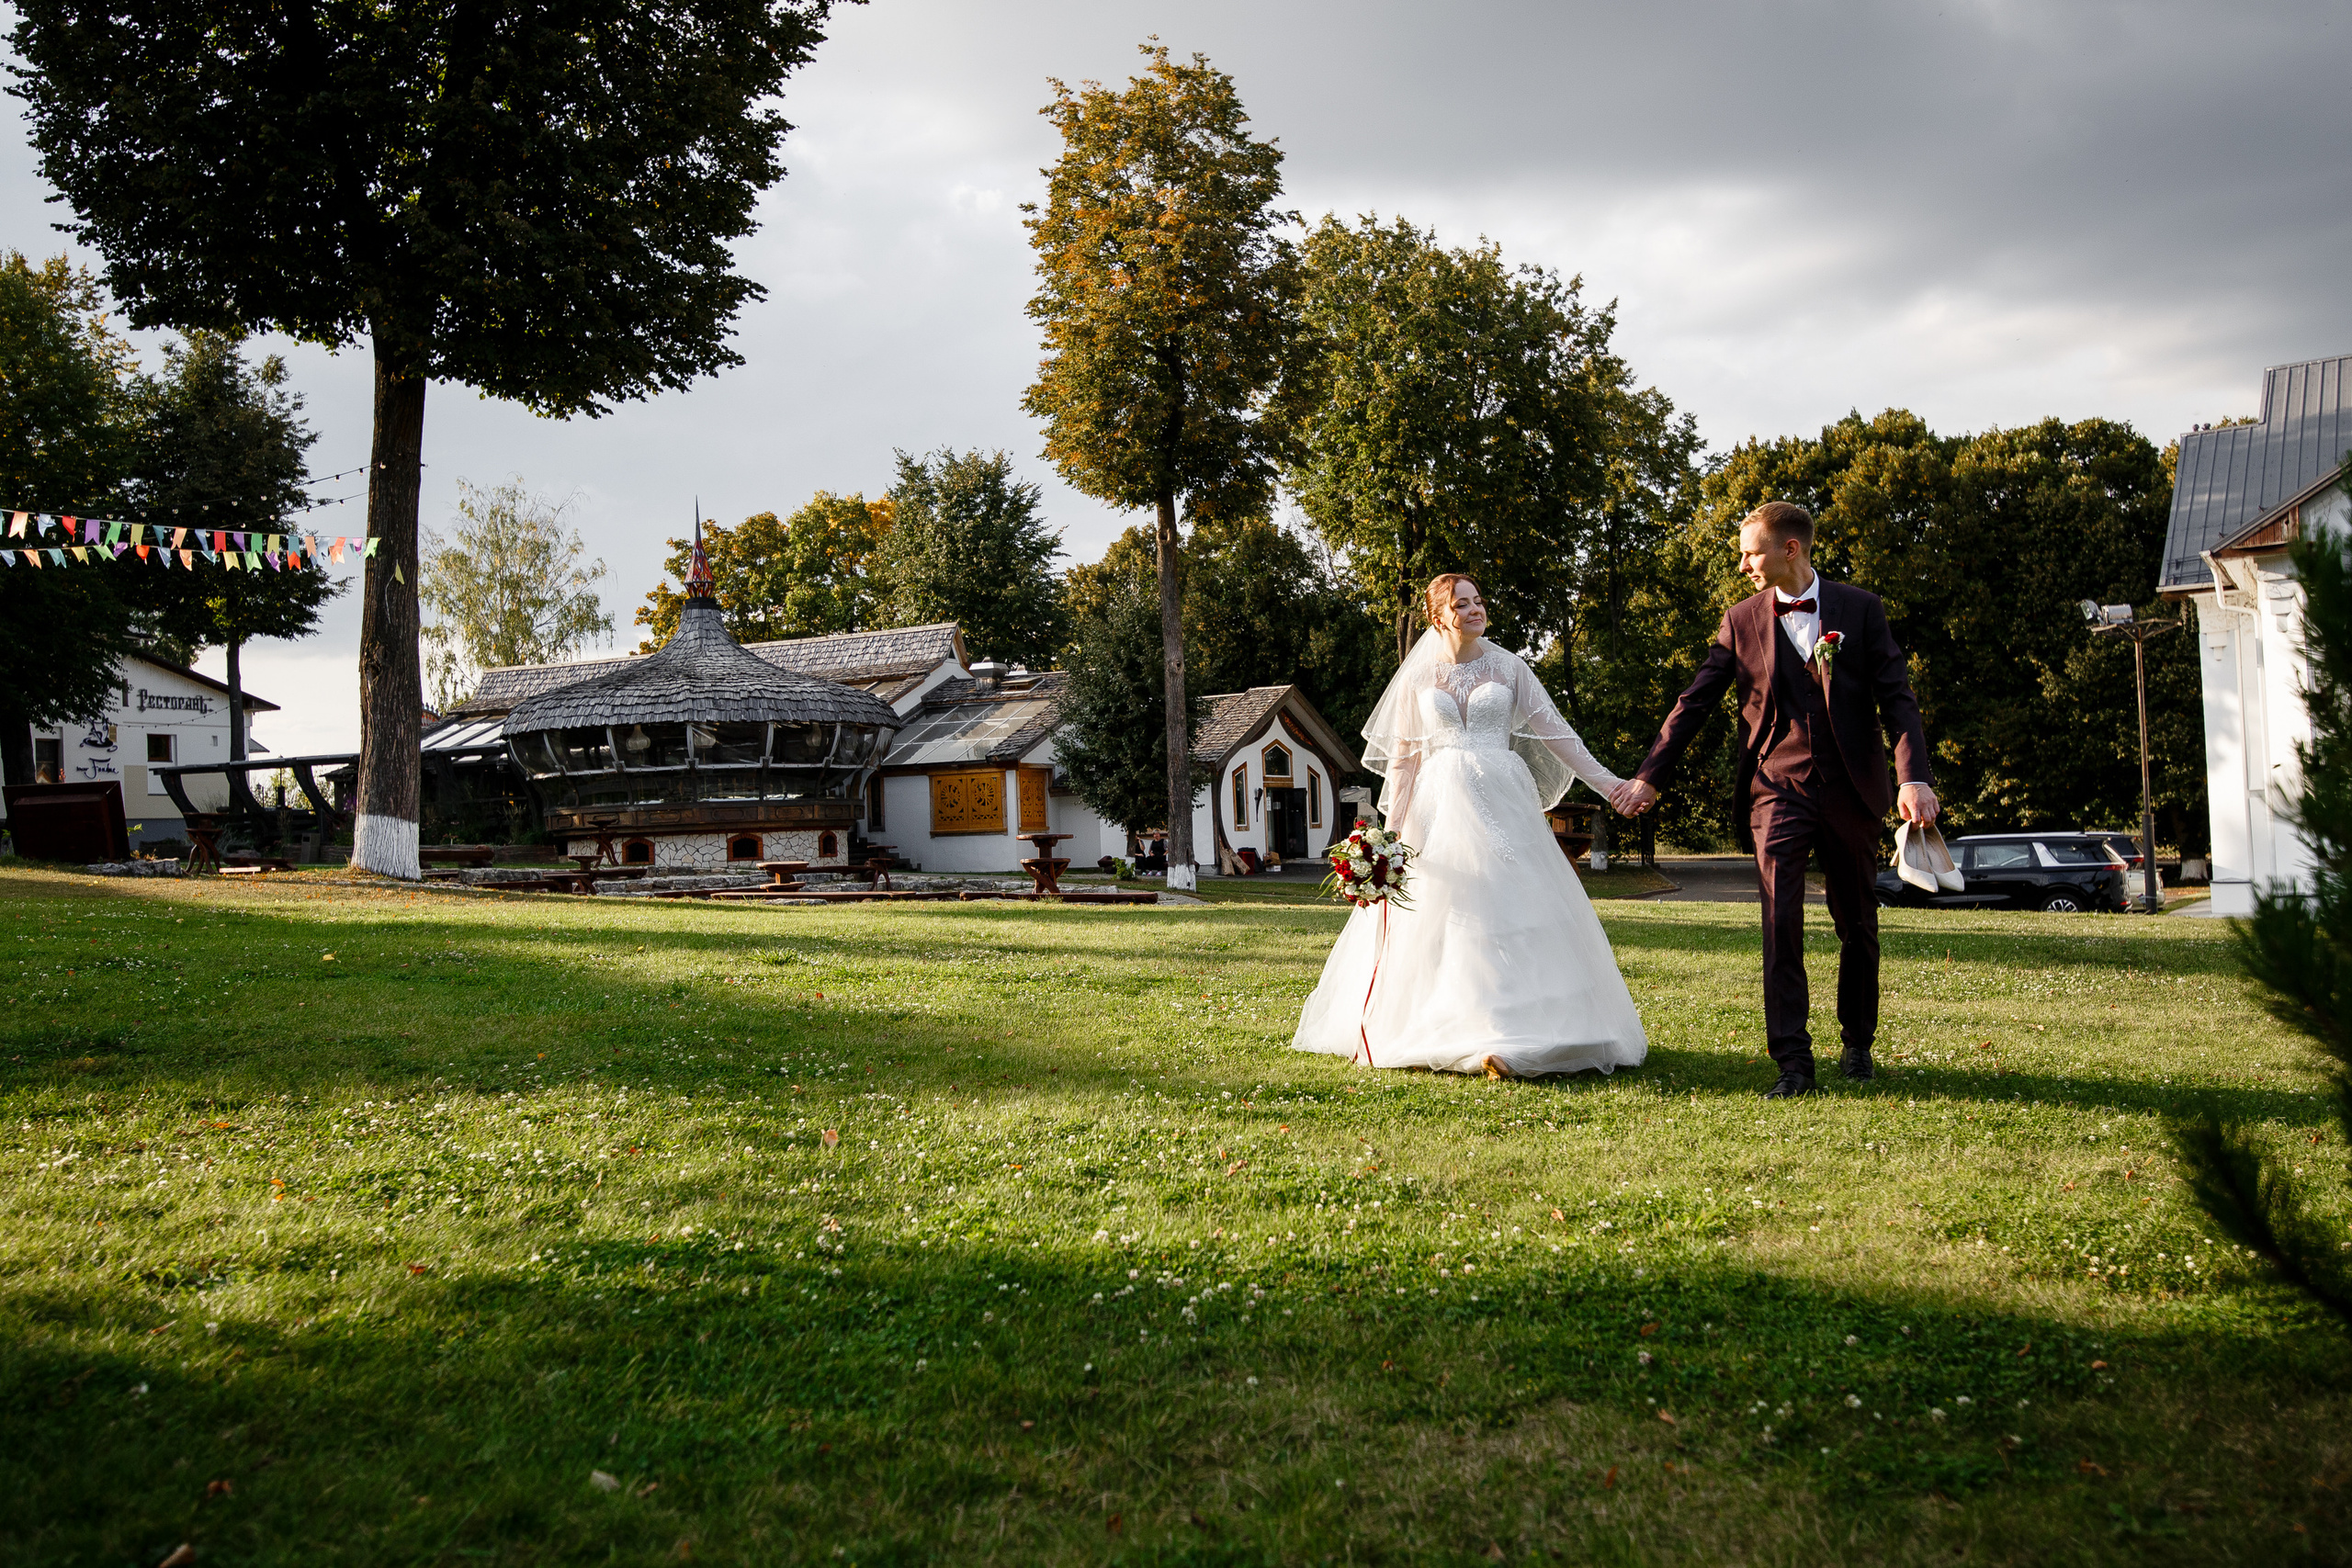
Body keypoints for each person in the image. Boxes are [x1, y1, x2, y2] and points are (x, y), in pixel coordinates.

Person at [1613, 501, 1937, 1098]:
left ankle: (1857, 1041)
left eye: (1750, 551)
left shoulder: (1862, 611)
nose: (1742, 565)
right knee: (1779, 919)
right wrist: (1651, 775)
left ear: (1790, 549)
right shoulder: (1738, 621)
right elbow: (1695, 702)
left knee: (1857, 923)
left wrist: (1913, 776)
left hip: (1851, 789)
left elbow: (1898, 699)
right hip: (1776, 788)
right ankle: (1793, 1062)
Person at [1293, 574, 1647, 1077]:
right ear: (1439, 616)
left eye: (1479, 600)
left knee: (1513, 904)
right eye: (1462, 604)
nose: (1475, 609)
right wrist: (1385, 838)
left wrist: (1612, 785)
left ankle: (1528, 1032)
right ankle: (1458, 1027)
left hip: (1503, 801)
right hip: (1436, 809)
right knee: (1450, 914)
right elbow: (1404, 763)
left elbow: (1558, 736)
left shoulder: (1510, 668)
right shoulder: (1417, 678)